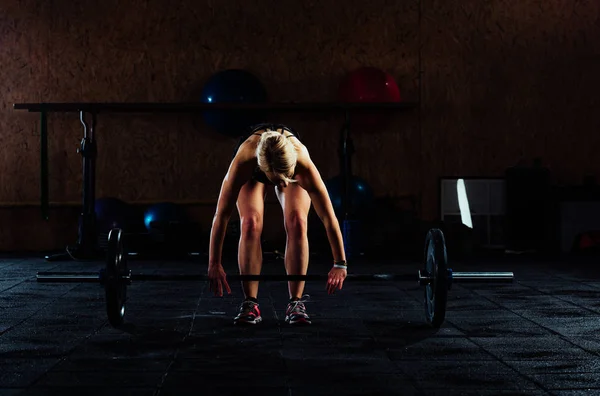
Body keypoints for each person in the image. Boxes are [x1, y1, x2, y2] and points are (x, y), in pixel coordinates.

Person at [207, 123, 348, 325]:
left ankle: (296, 303)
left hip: (285, 161)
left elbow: (329, 217)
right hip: (256, 165)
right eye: (276, 180)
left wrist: (340, 263)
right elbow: (221, 215)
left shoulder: (302, 162)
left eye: (286, 178)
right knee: (250, 224)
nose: (281, 185)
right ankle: (250, 303)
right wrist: (214, 263)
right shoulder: (244, 161)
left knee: (298, 222)